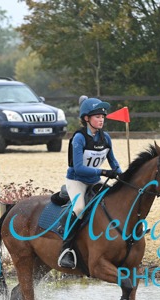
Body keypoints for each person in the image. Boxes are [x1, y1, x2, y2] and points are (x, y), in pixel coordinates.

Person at [57, 96, 123, 269]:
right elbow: (79, 168)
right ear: (86, 118)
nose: (101, 120)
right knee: (79, 208)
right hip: (76, 180)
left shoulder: (105, 138)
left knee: (114, 202)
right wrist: (103, 172)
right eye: (97, 117)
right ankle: (66, 250)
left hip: (94, 181)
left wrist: (122, 175)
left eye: (103, 117)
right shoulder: (79, 138)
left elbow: (113, 162)